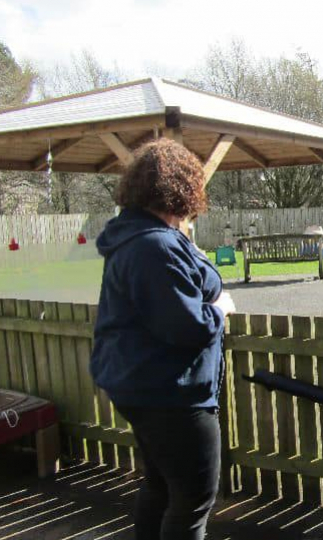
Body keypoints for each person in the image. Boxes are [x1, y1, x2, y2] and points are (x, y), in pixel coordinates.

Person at [90, 138, 236, 540]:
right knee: (192, 501)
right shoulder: (153, 246)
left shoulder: (138, 238)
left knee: (160, 485)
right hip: (172, 394)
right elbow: (187, 327)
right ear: (183, 189)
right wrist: (221, 309)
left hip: (141, 385)